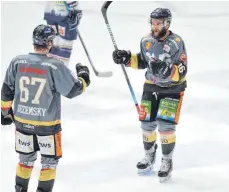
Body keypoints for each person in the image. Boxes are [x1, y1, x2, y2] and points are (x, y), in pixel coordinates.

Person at [1, 24, 90, 192]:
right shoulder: (54, 65)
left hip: (22, 123)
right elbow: (73, 90)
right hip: (47, 126)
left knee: (25, 162)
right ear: (49, 42)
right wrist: (84, 77)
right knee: (49, 164)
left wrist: (5, 112)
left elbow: (6, 90)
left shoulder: (17, 61)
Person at [112, 8, 187, 182]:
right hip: (151, 86)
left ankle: (167, 161)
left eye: (158, 23)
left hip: (172, 89)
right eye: (153, 22)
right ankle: (149, 155)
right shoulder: (146, 40)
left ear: (167, 23)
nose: (154, 26)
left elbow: (183, 69)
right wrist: (127, 58)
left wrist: (169, 70)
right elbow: (143, 61)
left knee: (165, 127)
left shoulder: (176, 42)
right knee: (146, 124)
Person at [44, 1, 82, 66]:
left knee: (58, 45)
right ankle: (55, 71)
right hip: (57, 13)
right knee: (55, 44)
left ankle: (56, 71)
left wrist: (76, 12)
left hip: (59, 13)